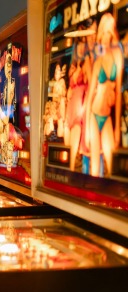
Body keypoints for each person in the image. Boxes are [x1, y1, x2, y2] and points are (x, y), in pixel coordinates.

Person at [85, 13, 123, 177]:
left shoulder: (117, 57)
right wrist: (86, 129)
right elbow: (89, 99)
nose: (106, 36)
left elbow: (119, 95)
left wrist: (117, 130)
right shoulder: (98, 60)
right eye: (105, 32)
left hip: (106, 117)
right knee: (94, 166)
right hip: (94, 115)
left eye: (110, 31)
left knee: (110, 163)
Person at [65, 27, 92, 171]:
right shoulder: (74, 65)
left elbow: (90, 82)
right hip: (72, 103)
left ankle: (71, 168)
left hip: (80, 101)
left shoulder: (86, 62)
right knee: (69, 138)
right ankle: (72, 165)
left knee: (76, 132)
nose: (81, 47)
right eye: (79, 44)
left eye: (83, 43)